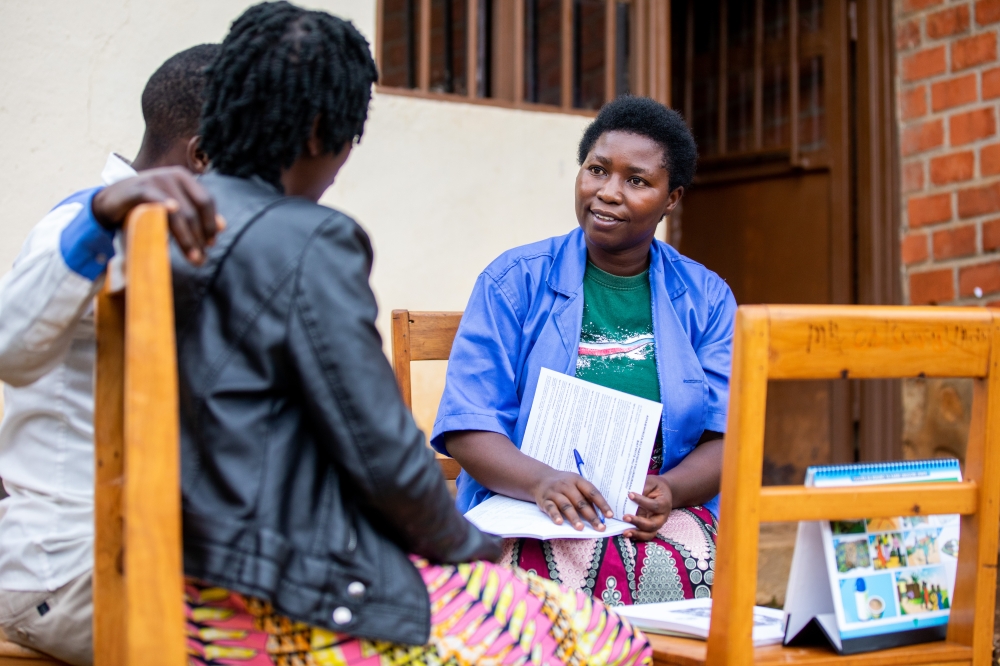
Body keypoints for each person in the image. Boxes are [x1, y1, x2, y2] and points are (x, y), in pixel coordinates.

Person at [174, 3, 652, 664]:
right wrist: (474, 554)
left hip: (173, 577)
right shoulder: (308, 241)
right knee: (608, 641)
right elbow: (384, 453)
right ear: (320, 133)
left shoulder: (151, 223)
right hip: (274, 599)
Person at [433, 96, 737, 606]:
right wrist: (542, 481)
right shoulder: (514, 281)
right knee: (538, 588)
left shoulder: (705, 298)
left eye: (636, 180)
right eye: (597, 170)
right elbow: (467, 424)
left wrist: (671, 491)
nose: (608, 193)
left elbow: (729, 434)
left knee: (692, 573)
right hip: (528, 504)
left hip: (654, 514)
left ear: (671, 198)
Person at [0, 44, 222, 665]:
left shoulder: (184, 243)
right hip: (69, 573)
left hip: (128, 555)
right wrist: (102, 216)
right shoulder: (83, 222)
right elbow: (8, 346)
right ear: (201, 155)